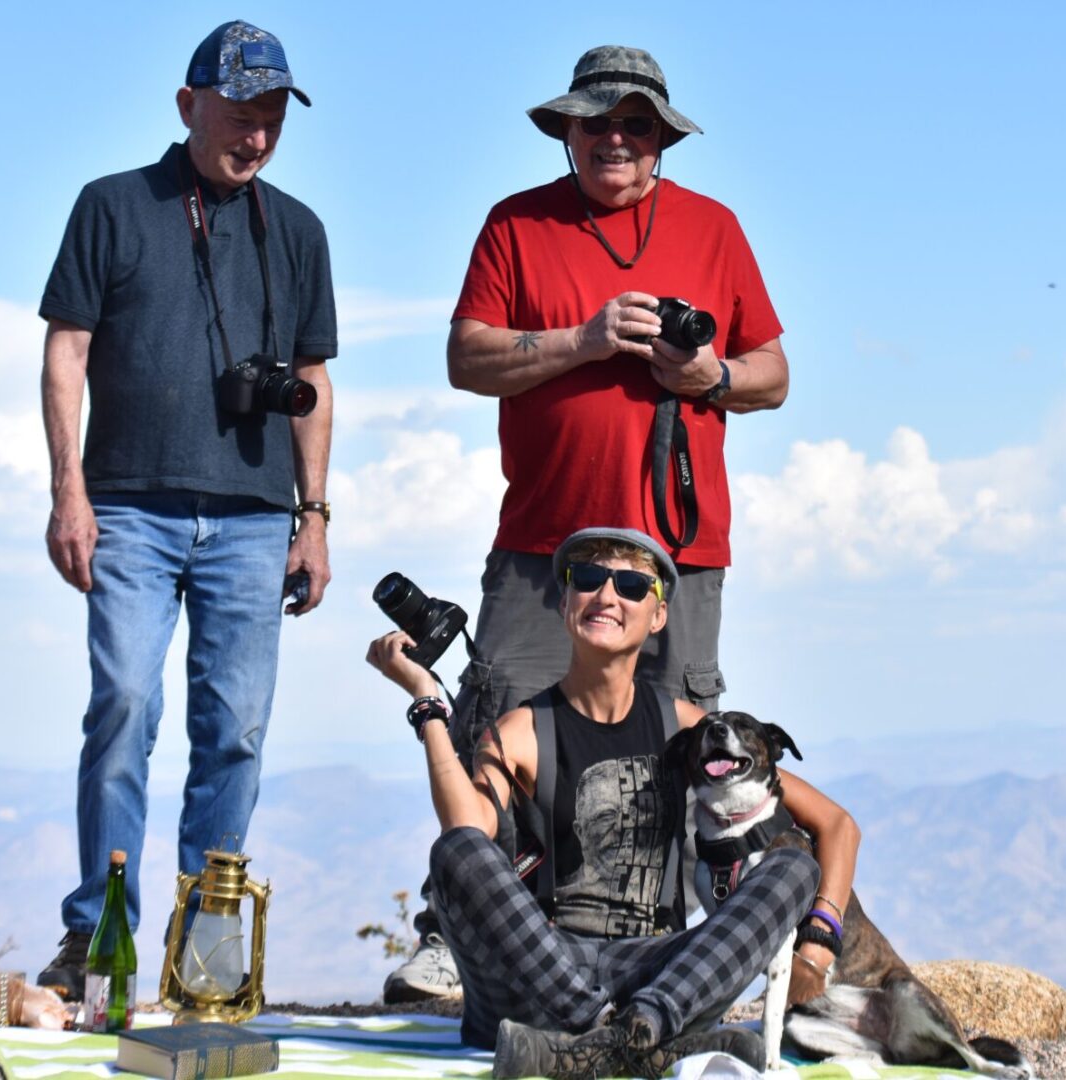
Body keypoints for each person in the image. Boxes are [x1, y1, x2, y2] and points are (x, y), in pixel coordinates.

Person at [386, 42, 791, 1004]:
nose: (614, 138)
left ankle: (701, 957)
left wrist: (709, 377)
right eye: (596, 121)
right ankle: (459, 937)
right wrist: (585, 339)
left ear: (662, 142)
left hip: (680, 549)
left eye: (635, 124)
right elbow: (466, 357)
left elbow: (773, 372)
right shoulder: (516, 225)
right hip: (541, 540)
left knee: (687, 746)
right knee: (501, 729)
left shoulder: (715, 229)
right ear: (566, 130)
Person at [33, 20, 337, 998]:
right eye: (240, 114)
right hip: (127, 506)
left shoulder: (297, 230)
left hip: (255, 519)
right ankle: (101, 937)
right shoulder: (113, 206)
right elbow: (65, 351)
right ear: (187, 105)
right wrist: (67, 492)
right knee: (123, 707)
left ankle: (205, 954)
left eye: (272, 120)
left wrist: (315, 516)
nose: (255, 136)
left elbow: (316, 377)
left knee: (237, 728)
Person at [367, 528, 858, 1079]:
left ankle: (620, 1038)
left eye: (630, 585)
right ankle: (623, 1039)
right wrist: (428, 703)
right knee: (455, 850)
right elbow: (467, 835)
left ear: (659, 616)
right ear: (564, 602)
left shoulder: (690, 730)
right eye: (589, 580)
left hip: (656, 970)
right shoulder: (522, 730)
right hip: (540, 969)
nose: (606, 596)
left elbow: (837, 825)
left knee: (791, 867)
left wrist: (817, 945)